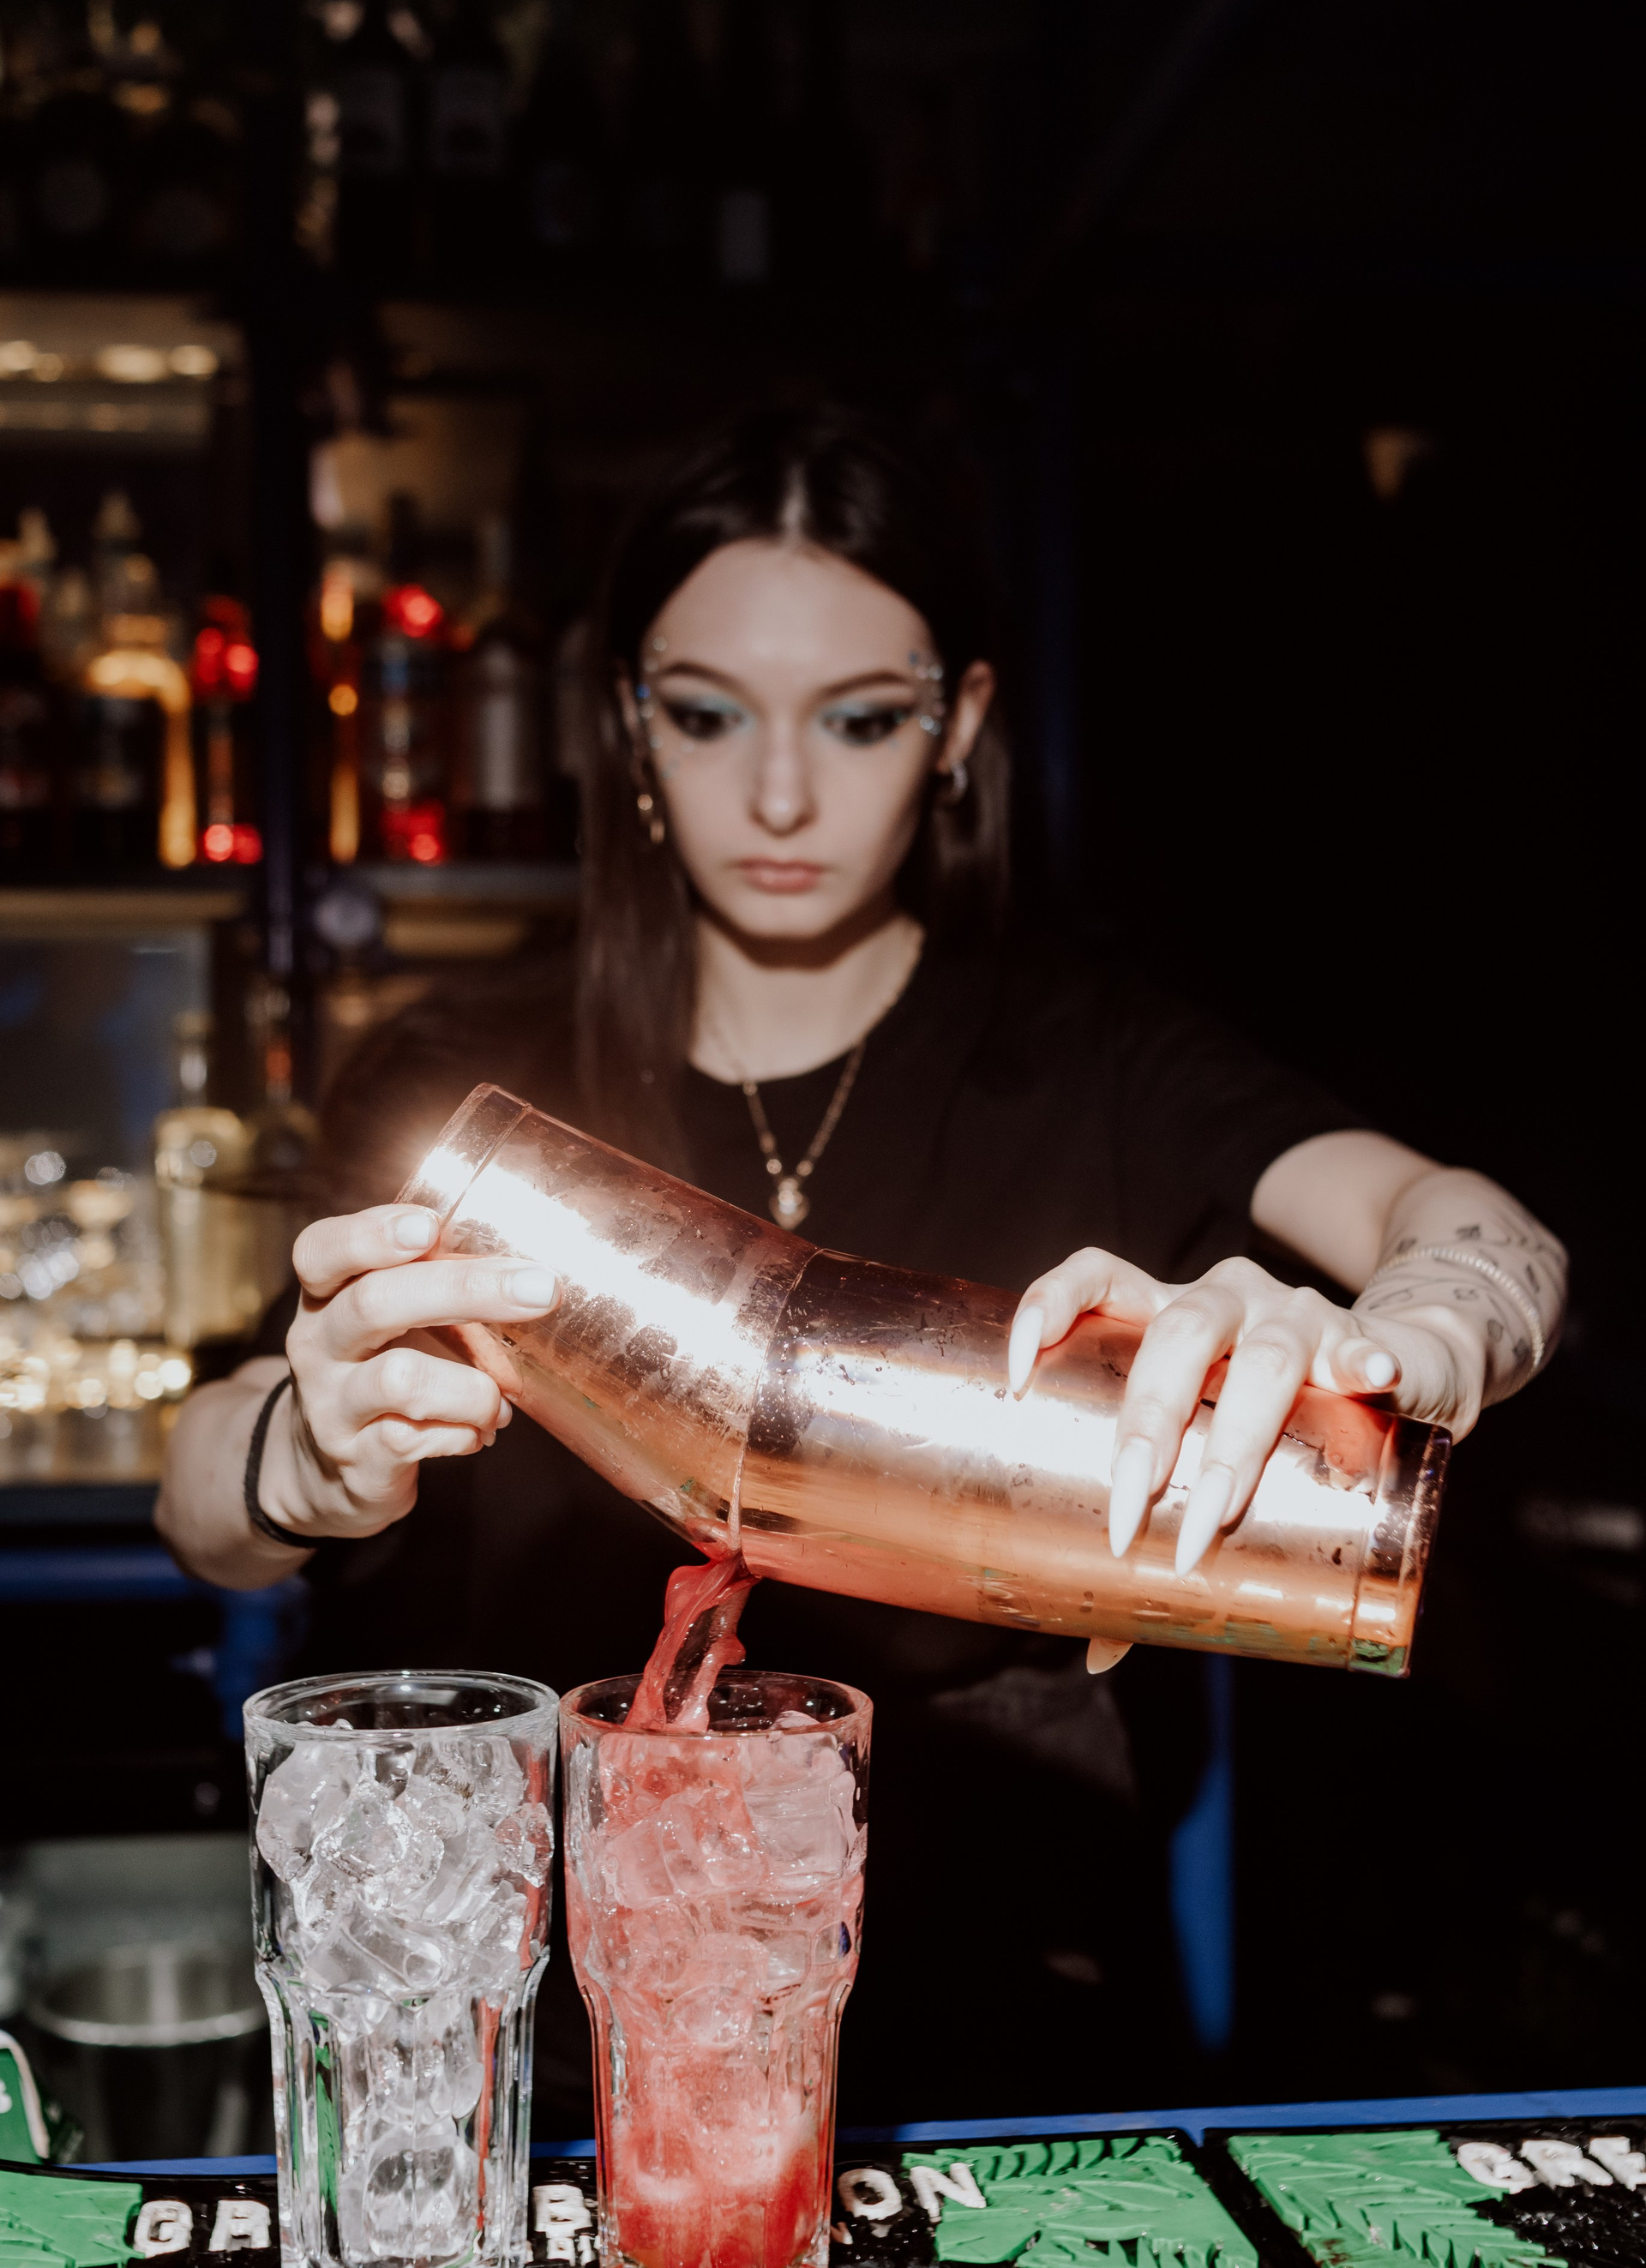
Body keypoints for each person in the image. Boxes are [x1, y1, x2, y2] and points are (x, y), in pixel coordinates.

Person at [159, 406, 1565, 2121]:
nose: (778, 793)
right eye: (707, 712)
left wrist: (1416, 1340)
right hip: (553, 2033)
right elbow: (200, 1495)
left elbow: (1479, 1227)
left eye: (860, 717)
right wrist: (302, 1458)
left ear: (958, 723)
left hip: (1006, 2029)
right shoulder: (472, 1088)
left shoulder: (1096, 1058)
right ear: (628, 719)